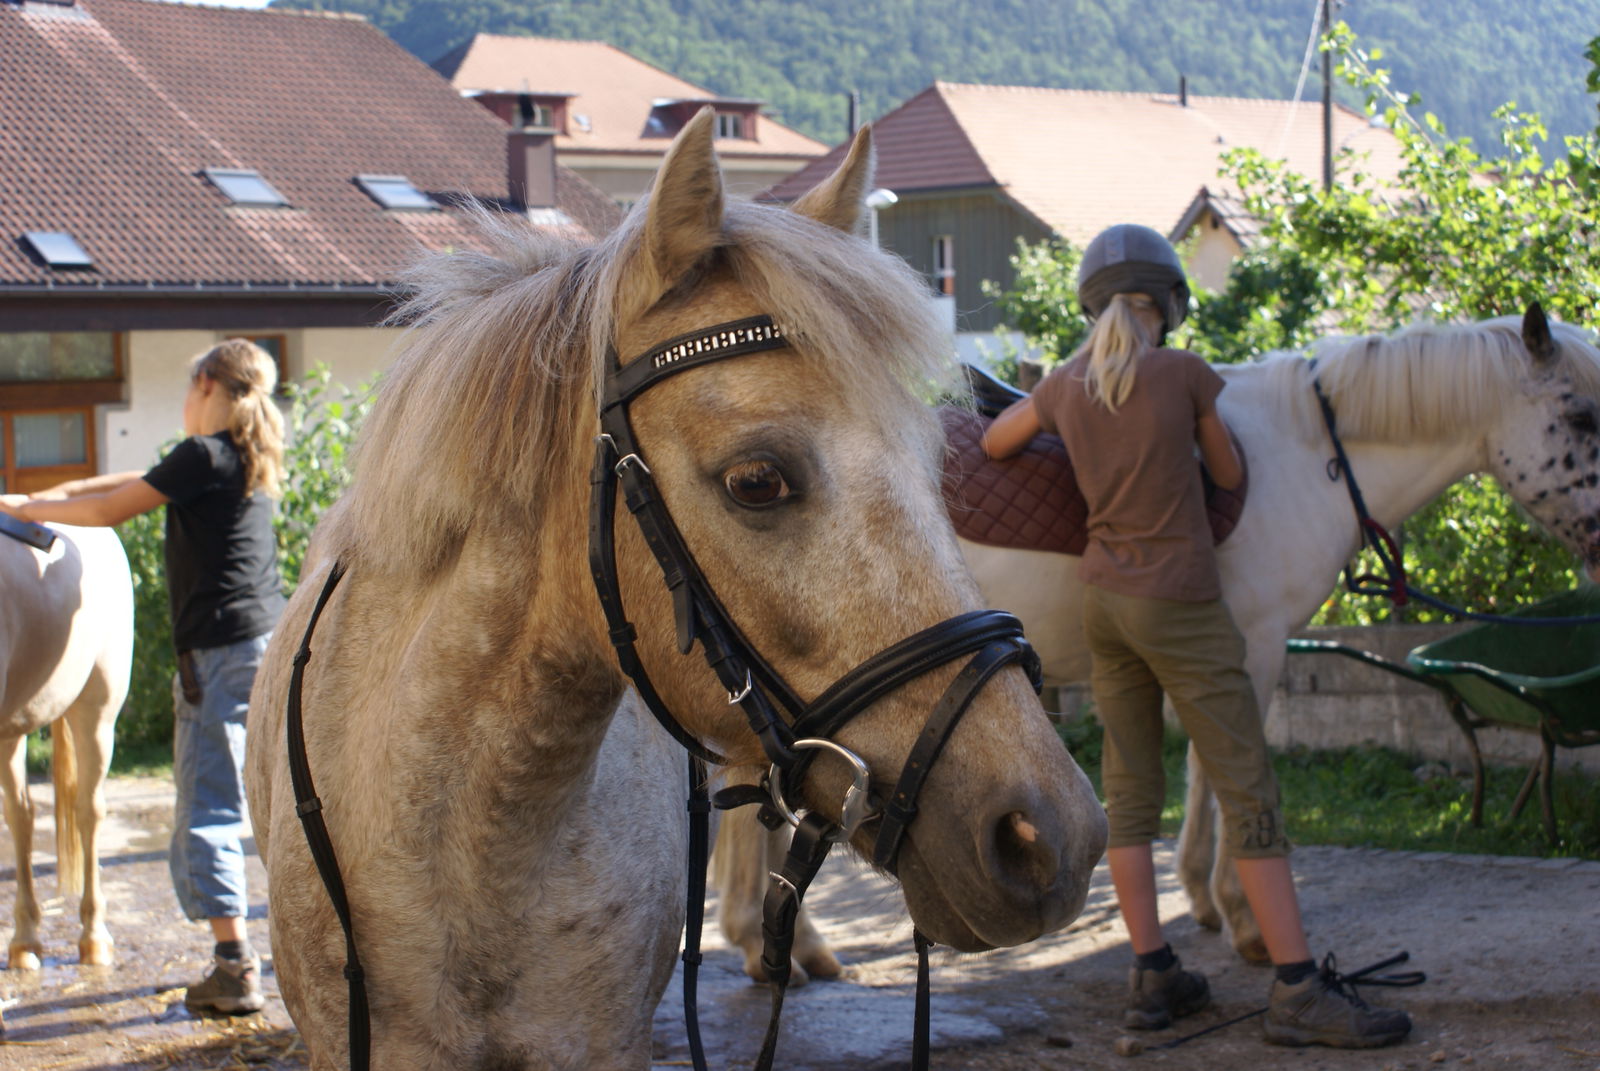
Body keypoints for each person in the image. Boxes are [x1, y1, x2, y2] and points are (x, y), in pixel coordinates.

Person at [981, 224, 1412, 1049]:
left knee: (1132, 795)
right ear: (1166, 303)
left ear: (1093, 303)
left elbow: (1000, 438)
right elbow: (1231, 475)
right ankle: (1296, 987)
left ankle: (1151, 972)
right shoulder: (1183, 374)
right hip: (1179, 598)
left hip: (1104, 603)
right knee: (1247, 787)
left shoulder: (1069, 384)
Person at [1, 338, 286, 1016]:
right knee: (250, 802)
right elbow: (124, 480)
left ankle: (234, 964)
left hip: (215, 659)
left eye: (191, 388)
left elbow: (109, 511)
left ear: (209, 385)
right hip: (259, 646)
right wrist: (45, 491)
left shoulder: (202, 454)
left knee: (206, 812)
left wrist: (27, 514)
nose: (186, 402)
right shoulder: (237, 456)